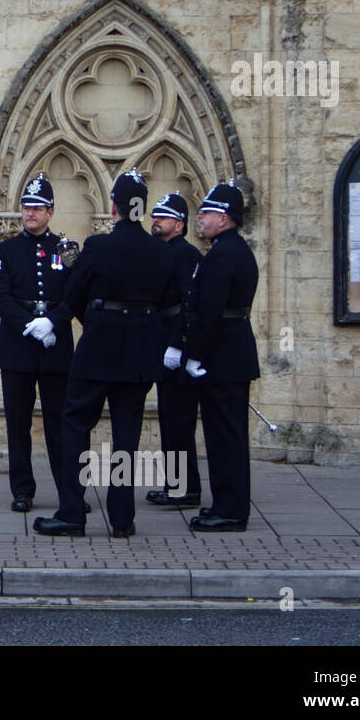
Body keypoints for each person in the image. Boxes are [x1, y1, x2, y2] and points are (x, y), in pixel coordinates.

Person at [32, 168, 176, 538]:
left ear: (113, 207)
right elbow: (169, 305)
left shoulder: (98, 247)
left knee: (76, 424)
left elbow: (74, 293)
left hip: (98, 350)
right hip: (140, 353)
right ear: (140, 209)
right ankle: (123, 519)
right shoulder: (160, 252)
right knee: (127, 435)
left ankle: (71, 513)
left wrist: (81, 319)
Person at [0, 172, 77, 513]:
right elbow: (0, 298)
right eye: (26, 207)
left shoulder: (66, 250)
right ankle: (22, 489)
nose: (30, 214)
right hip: (18, 347)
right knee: (18, 422)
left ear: (51, 212)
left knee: (60, 423)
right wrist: (31, 325)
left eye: (38, 208)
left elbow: (77, 294)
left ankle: (69, 491)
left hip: (55, 346)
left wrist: (52, 322)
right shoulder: (6, 249)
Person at [185, 180, 260, 533]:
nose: (200, 217)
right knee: (228, 433)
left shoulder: (222, 254)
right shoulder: (234, 250)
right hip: (232, 349)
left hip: (222, 353)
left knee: (224, 435)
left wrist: (195, 355)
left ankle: (229, 509)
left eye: (208, 212)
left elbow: (210, 311)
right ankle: (228, 505)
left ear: (225, 218)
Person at [145, 192, 203, 508]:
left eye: (163, 217)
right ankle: (174, 484)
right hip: (158, 337)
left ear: (179, 225)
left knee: (179, 420)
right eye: (154, 215)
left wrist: (177, 344)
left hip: (173, 342)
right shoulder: (160, 252)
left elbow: (189, 305)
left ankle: (185, 488)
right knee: (169, 418)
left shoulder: (187, 255)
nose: (156, 221)